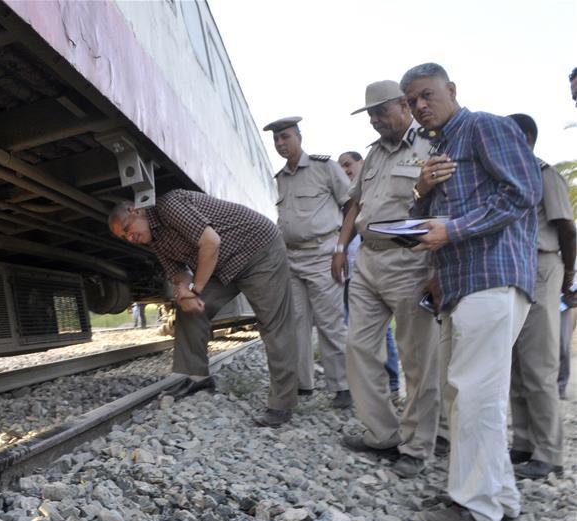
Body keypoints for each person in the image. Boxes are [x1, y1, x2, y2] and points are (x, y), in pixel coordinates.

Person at [401, 63, 541, 521]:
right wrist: (422, 192)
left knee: (475, 392)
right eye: (412, 100)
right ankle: (498, 496)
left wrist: (453, 229)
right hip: (463, 283)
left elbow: (523, 191)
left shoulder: (484, 125)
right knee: (471, 392)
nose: (420, 106)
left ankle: (475, 507)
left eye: (426, 95)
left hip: (492, 275)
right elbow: (433, 222)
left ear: (451, 90)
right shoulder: (440, 149)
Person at [108, 189, 298, 427]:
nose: (130, 238)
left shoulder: (169, 206)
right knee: (188, 311)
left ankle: (282, 403)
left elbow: (211, 241)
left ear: (135, 211)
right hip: (223, 264)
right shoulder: (154, 241)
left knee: (274, 325)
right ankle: (199, 379)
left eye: (127, 229)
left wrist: (195, 289)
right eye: (124, 238)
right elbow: (179, 273)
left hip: (258, 251)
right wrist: (184, 292)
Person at [332, 81, 441, 478]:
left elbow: (442, 205)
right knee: (358, 347)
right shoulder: (375, 154)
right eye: (371, 114)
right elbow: (356, 203)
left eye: (382, 111)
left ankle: (416, 446)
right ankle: (382, 434)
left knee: (418, 360)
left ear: (404, 106)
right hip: (368, 262)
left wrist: (436, 270)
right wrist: (341, 248)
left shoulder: (431, 144)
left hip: (410, 260)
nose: (377, 120)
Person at [264, 116, 351, 408]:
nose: (280, 143)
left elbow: (351, 205)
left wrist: (341, 249)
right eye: (276, 140)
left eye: (285, 137)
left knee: (330, 322)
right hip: (292, 258)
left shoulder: (324, 167)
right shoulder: (280, 178)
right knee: (296, 324)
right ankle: (304, 384)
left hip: (322, 255)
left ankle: (342, 387)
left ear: (299, 136)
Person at [507, 113, 575, 479]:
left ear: (527, 138)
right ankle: (523, 443)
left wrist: (569, 275)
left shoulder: (544, 173)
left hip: (541, 267)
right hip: (513, 270)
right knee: (516, 363)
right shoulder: (505, 174)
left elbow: (566, 228)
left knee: (538, 366)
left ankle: (549, 453)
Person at [338, 150, 401, 395]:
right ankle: (373, 389)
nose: (345, 170)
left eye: (348, 164)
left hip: (380, 267)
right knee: (358, 333)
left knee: (384, 332)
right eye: (341, 167)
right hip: (353, 275)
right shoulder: (347, 199)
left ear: (361, 163)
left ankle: (393, 383)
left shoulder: (373, 190)